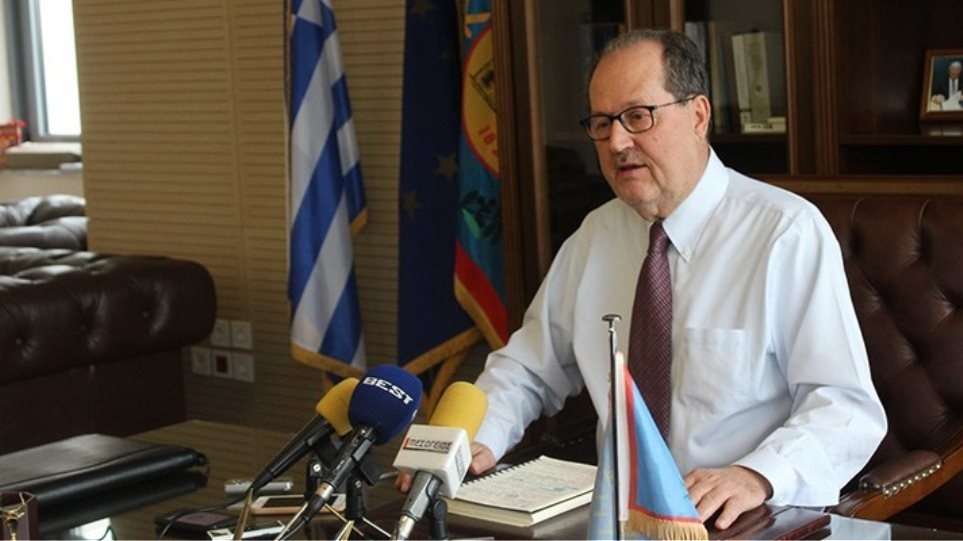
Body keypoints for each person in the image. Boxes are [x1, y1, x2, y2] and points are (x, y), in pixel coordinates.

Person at [398, 28, 887, 530]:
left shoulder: (784, 233)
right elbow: (528, 368)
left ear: (698, 115)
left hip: (739, 520)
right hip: (617, 518)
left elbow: (845, 408)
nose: (616, 142)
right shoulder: (596, 235)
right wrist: (476, 438)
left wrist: (756, 475)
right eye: (602, 123)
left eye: (638, 116)